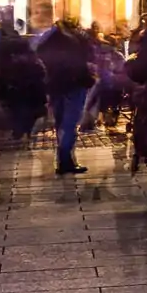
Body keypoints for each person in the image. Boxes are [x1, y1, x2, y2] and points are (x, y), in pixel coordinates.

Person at [35, 11, 97, 175]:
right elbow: (89, 57)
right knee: (69, 123)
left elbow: (39, 54)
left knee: (61, 122)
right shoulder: (78, 38)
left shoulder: (49, 39)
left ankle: (64, 159)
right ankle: (65, 159)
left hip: (55, 84)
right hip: (74, 83)